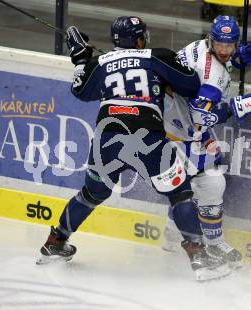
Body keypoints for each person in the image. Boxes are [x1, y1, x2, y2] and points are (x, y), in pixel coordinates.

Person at [36, 16, 231, 281]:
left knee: (90, 195)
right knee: (180, 194)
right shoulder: (156, 56)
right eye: (143, 36)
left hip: (107, 140)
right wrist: (164, 81)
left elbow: (81, 91)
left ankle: (55, 242)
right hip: (146, 137)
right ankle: (199, 256)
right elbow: (191, 84)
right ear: (139, 39)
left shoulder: (100, 63)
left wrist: (81, 59)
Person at [161, 15, 251, 268]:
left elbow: (207, 69)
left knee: (193, 183)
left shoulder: (200, 47)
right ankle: (212, 243)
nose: (224, 50)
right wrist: (240, 105)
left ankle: (172, 234)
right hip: (182, 132)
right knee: (211, 183)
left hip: (173, 124)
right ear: (212, 39)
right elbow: (202, 117)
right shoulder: (214, 77)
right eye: (220, 45)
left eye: (229, 45)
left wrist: (235, 59)